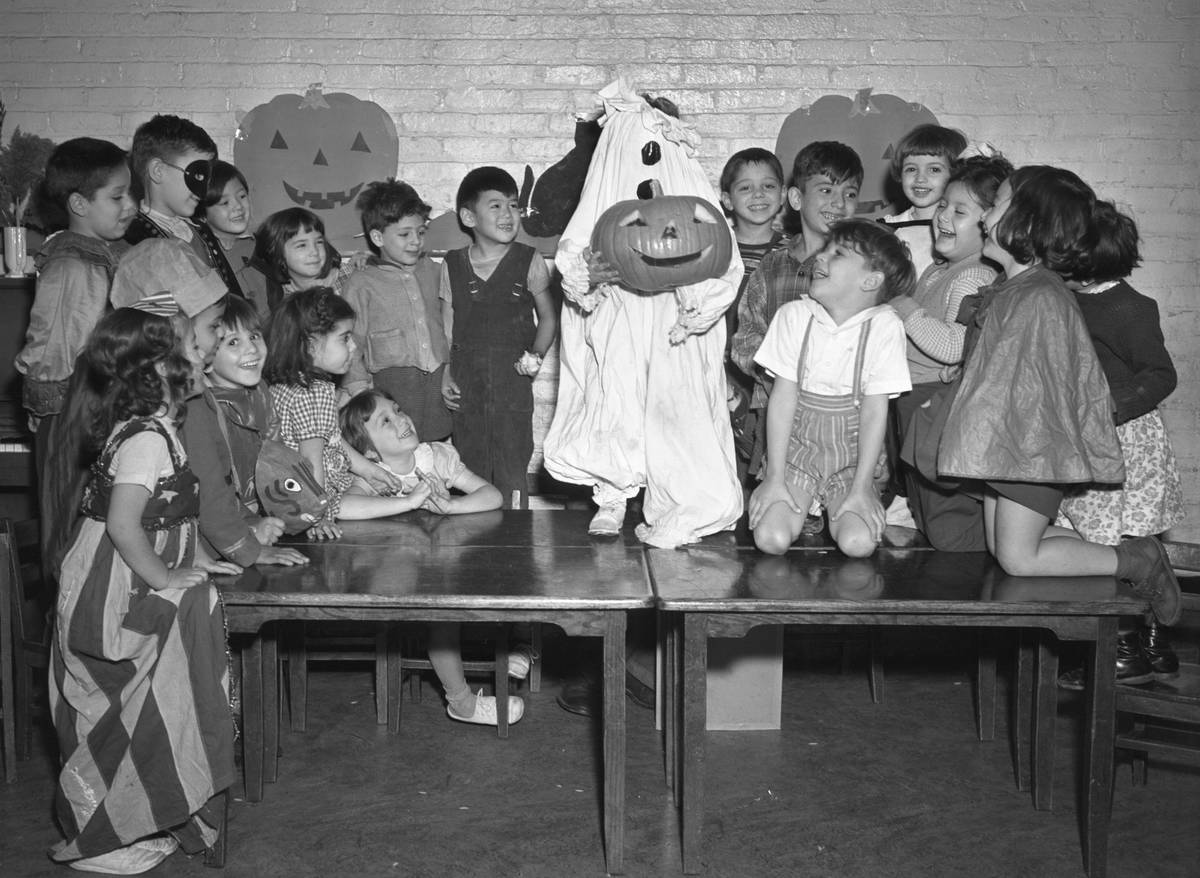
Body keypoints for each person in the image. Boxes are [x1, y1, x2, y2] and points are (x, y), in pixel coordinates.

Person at [937, 165, 1182, 627]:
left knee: (1019, 558)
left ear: (1027, 224)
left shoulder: (1043, 295)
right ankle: (1112, 574)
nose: (987, 216)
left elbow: (1055, 385)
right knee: (1003, 549)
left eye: (997, 204)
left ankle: (1136, 561)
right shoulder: (1016, 289)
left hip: (1030, 449)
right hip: (1005, 447)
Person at [49, 307, 240, 873]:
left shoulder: (162, 431)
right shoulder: (146, 440)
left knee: (148, 699)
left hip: (130, 575)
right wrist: (165, 579)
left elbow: (168, 517)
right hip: (113, 587)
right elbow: (124, 524)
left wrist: (201, 559)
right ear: (156, 367)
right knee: (114, 704)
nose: (204, 350)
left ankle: (141, 813)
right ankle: (102, 836)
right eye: (192, 343)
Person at [544, 80, 744, 548]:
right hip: (620, 316)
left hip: (672, 322)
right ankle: (611, 497)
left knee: (676, 411)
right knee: (615, 400)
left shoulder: (690, 196)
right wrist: (586, 276)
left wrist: (700, 297)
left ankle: (679, 504)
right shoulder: (604, 201)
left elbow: (722, 261)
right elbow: (574, 252)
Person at [340, 388, 533, 725]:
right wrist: (408, 502)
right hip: (393, 577)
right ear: (369, 452)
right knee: (440, 616)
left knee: (482, 585)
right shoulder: (373, 477)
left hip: (440, 569)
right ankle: (462, 702)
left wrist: (453, 506)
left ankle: (520, 640)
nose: (401, 419)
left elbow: (492, 495)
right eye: (386, 420)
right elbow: (343, 507)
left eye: (398, 410)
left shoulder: (437, 459)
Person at [1055, 201, 1185, 686]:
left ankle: (1129, 644)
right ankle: (1142, 640)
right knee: (1095, 541)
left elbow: (1161, 374)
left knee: (1114, 542)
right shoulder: (1067, 299)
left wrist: (1111, 408)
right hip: (1085, 435)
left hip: (1123, 440)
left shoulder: (1130, 307)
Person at [748, 218, 914, 557]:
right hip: (796, 453)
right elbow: (782, 399)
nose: (820, 258)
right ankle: (798, 502)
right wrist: (774, 479)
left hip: (851, 460)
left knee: (858, 544)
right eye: (825, 249)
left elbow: (874, 413)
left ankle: (839, 504)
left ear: (871, 281)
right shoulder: (794, 316)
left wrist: (862, 487)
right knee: (771, 539)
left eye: (837, 254)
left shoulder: (884, 326)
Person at [15, 138, 135, 563]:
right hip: (75, 415)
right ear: (80, 204)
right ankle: (69, 618)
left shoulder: (106, 255)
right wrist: (49, 412)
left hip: (101, 410)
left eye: (130, 193)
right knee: (70, 529)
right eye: (118, 197)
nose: (131, 206)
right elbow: (51, 350)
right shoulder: (72, 265)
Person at [891, 153, 1013, 551]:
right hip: (913, 397)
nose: (943, 216)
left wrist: (902, 304)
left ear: (990, 225)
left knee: (946, 521)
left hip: (934, 403)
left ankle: (989, 558)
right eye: (943, 205)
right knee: (923, 512)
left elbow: (952, 345)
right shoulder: (940, 268)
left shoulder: (974, 275)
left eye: (960, 211)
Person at [730, 141, 864, 475]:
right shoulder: (773, 266)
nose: (839, 202)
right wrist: (780, 377)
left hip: (844, 420)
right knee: (780, 509)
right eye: (826, 190)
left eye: (849, 193)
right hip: (778, 414)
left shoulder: (863, 269)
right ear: (796, 198)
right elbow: (746, 338)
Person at [264, 287, 427, 540]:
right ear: (310, 345)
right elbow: (310, 460)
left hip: (297, 492)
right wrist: (317, 516)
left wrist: (366, 469)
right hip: (313, 495)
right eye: (344, 338)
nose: (353, 346)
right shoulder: (312, 393)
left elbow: (330, 436)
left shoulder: (290, 384)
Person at [442, 166, 558, 507]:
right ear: (468, 216)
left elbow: (549, 318)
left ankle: (516, 536)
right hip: (467, 382)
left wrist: (535, 355)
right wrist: (445, 371)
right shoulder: (452, 264)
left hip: (512, 384)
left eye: (513, 205)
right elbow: (446, 322)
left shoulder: (529, 260)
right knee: (470, 459)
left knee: (512, 460)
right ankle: (476, 544)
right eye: (496, 206)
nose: (508, 214)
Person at [183, 295, 310, 568]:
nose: (251, 349)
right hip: (215, 535)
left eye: (254, 336)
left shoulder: (260, 390)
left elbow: (275, 459)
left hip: (255, 518)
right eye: (233, 342)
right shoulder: (201, 405)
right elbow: (212, 490)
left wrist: (304, 511)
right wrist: (250, 529)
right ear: (205, 353)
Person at [340, 179, 455, 442]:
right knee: (395, 453)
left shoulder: (437, 272)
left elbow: (452, 326)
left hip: (437, 387)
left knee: (437, 454)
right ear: (377, 237)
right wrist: (360, 394)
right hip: (390, 392)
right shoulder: (360, 283)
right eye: (404, 234)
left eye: (421, 232)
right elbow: (350, 344)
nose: (415, 241)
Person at [717, 147, 787, 469]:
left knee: (758, 454)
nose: (758, 194)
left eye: (768, 186)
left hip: (764, 373)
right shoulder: (714, 247)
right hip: (717, 366)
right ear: (728, 199)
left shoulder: (792, 252)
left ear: (784, 194)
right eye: (745, 187)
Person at [123, 114, 236, 282]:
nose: (204, 189)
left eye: (208, 178)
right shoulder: (133, 240)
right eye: (197, 176)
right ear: (158, 171)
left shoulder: (201, 231)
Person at [879, 124, 967, 278]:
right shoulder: (887, 228)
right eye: (911, 169)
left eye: (934, 169)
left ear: (956, 174)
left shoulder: (959, 230)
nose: (920, 178)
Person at [245, 206, 355, 320]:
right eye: (302, 245)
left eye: (319, 242)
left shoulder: (350, 277)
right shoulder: (284, 302)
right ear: (276, 253)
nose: (314, 251)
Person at [196, 159, 254, 298]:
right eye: (225, 203)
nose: (238, 206)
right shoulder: (201, 254)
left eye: (242, 196)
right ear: (202, 213)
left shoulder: (260, 245)